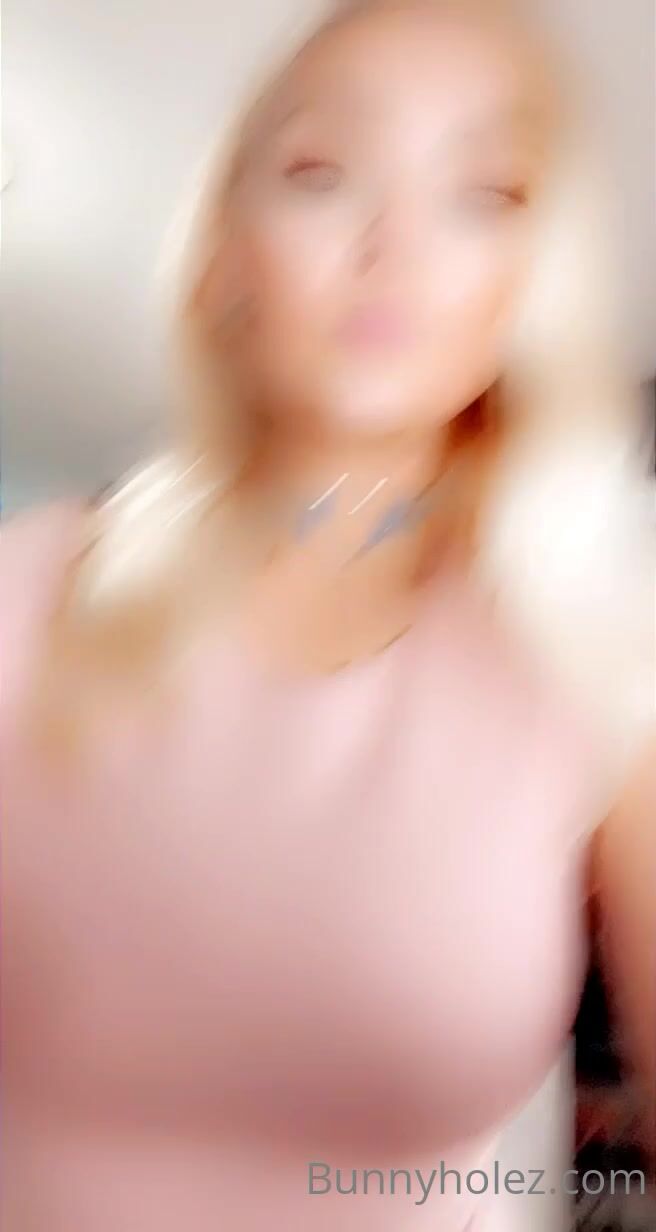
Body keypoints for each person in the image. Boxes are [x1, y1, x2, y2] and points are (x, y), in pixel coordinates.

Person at [1, 2, 654, 1229]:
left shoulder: (609, 665)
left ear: (536, 278)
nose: (391, 245)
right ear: (222, 247)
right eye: (320, 172)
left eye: (483, 192)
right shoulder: (22, 593)